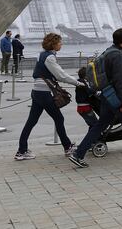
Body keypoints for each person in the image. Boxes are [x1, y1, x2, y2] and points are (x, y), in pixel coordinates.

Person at [70, 28, 122, 167]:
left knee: (99, 126)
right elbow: (118, 79)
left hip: (107, 96)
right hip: (117, 97)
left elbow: (115, 77)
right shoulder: (117, 55)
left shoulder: (108, 52)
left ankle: (78, 154)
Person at [14, 33, 86, 161]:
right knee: (59, 118)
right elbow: (61, 75)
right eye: (59, 42)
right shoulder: (50, 58)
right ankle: (68, 147)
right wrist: (78, 83)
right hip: (44, 92)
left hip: (36, 91)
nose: (61, 44)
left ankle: (22, 150)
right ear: (53, 44)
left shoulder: (41, 54)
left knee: (32, 121)